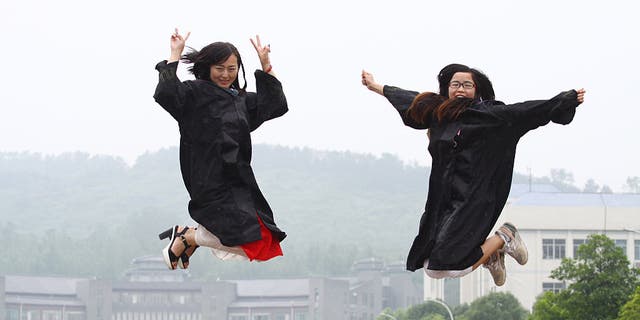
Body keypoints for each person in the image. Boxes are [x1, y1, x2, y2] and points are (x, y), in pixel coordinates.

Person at [361, 64, 585, 285]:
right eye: (455, 84)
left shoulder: (489, 115)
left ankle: (505, 236)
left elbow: (525, 111)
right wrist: (375, 86)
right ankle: (492, 255)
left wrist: (565, 100)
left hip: (474, 197)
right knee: (432, 266)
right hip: (442, 200)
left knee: (451, 265)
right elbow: (407, 98)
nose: (460, 89)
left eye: (467, 85)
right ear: (447, 88)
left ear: (476, 90)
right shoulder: (437, 111)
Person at [153, 29, 288, 269]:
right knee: (247, 239)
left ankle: (188, 238)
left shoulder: (241, 100)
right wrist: (175, 53)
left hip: (240, 181)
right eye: (219, 68)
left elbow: (276, 104)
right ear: (207, 68)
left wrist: (266, 65)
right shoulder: (194, 94)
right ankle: (189, 237)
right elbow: (166, 93)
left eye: (232, 69)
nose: (226, 75)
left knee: (265, 241)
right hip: (209, 179)